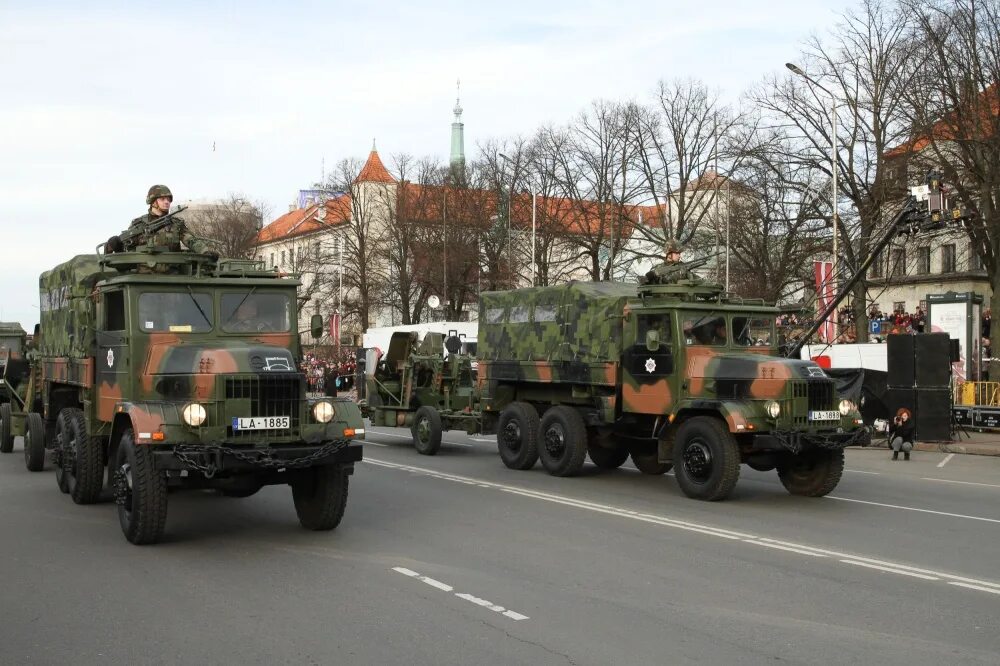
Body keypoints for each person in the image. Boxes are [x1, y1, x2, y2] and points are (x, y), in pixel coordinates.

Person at [107, 184, 216, 256]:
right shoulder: (138, 224)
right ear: (153, 202)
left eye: (169, 199)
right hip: (143, 276)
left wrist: (205, 251)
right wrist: (117, 247)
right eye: (162, 199)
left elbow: (191, 240)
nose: (167, 202)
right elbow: (129, 250)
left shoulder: (176, 224)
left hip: (172, 274)